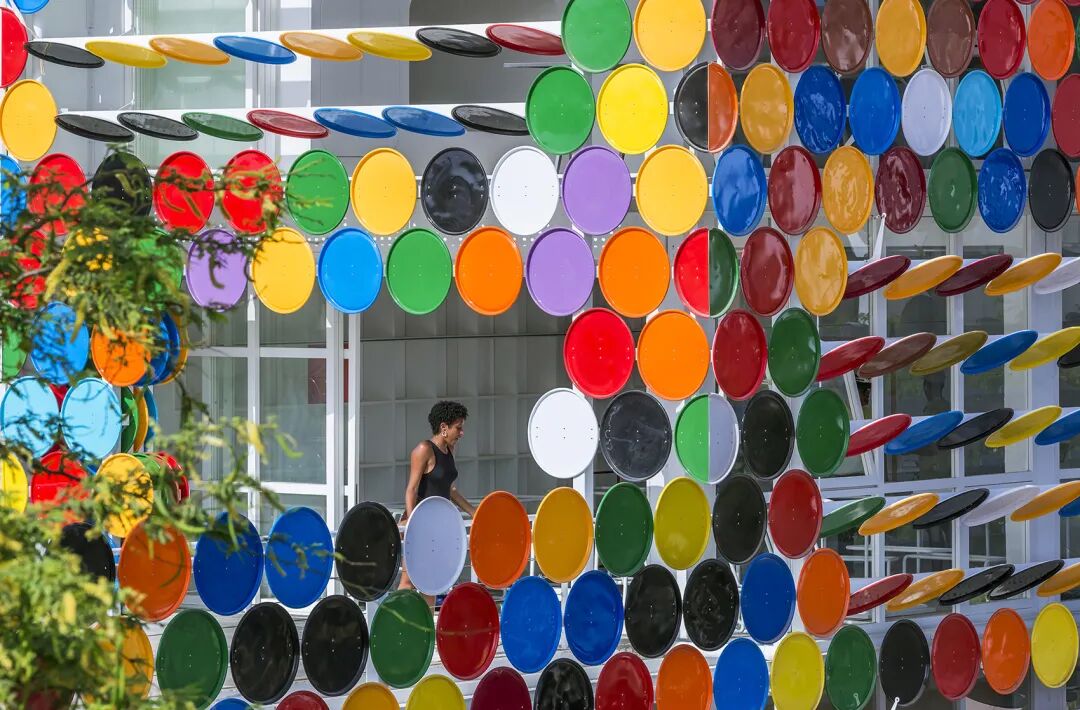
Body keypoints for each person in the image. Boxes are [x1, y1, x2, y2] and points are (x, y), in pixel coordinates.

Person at [398, 400, 475, 594]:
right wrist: (412, 522)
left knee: (431, 581)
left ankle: (428, 616)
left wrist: (474, 512)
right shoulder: (424, 449)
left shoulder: (449, 451)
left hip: (438, 525)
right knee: (408, 581)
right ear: (443, 427)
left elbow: (450, 489)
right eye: (458, 428)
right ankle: (395, 613)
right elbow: (411, 489)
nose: (461, 433)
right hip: (419, 523)